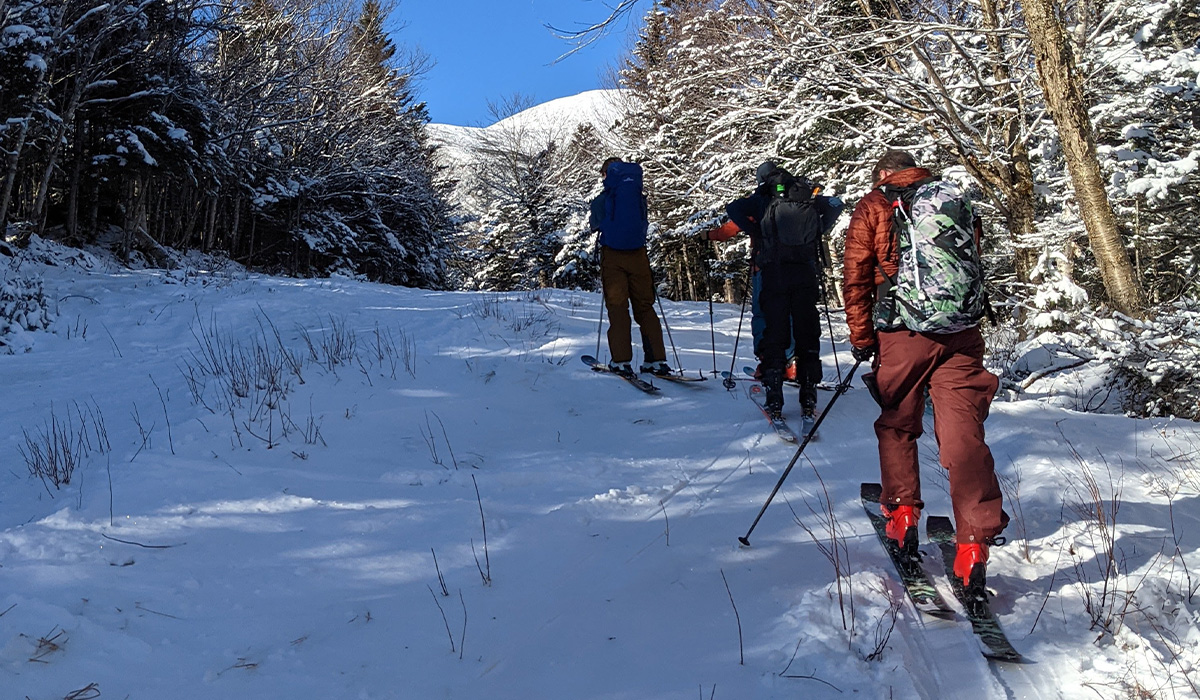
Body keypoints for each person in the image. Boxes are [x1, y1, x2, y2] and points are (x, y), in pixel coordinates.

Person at [842, 149, 1006, 594]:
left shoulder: (874, 204)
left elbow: (856, 273)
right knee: (964, 435)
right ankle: (973, 546)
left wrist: (861, 336)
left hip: (905, 333)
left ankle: (902, 515)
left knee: (899, 422)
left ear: (882, 173)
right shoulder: (951, 197)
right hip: (962, 332)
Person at [701, 161, 842, 420]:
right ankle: (808, 392)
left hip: (772, 272)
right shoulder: (805, 196)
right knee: (806, 329)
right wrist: (817, 230)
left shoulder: (763, 198)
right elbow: (836, 204)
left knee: (772, 326)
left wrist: (756, 229)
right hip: (805, 272)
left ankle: (774, 394)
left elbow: (733, 209)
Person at [589, 157, 671, 378]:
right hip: (639, 254)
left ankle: (621, 361)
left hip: (613, 256)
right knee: (645, 306)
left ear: (607, 174)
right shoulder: (637, 197)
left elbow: (595, 224)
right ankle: (657, 359)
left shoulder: (603, 200)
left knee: (618, 307)